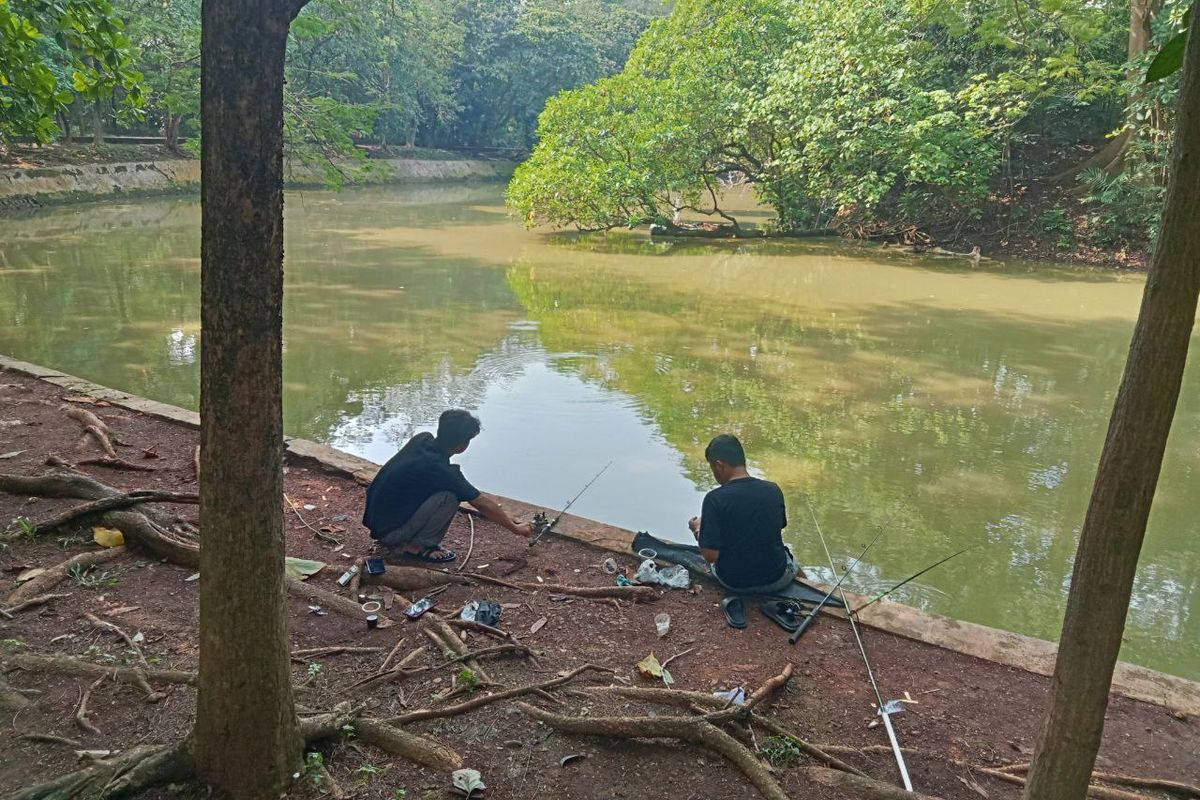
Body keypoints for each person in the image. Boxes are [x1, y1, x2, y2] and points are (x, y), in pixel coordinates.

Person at [362, 409, 533, 562]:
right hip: (390, 533)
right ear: (461, 446)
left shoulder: (421, 439)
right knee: (449, 497)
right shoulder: (443, 472)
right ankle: (418, 546)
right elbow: (483, 503)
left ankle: (403, 537)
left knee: (441, 491)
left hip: (376, 521)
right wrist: (516, 528)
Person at [687, 434, 800, 594]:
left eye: (713, 468)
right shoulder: (773, 489)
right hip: (777, 578)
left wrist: (698, 528)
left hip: (735, 582)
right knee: (788, 555)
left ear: (719, 465)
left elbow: (710, 556)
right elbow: (775, 528)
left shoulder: (714, 499)